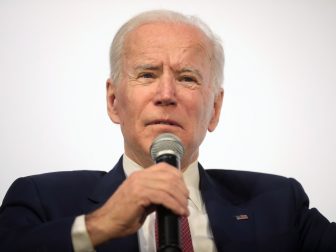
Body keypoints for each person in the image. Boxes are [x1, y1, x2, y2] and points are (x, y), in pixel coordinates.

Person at [0, 9, 335, 252]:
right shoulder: (42, 200)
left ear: (214, 110)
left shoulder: (278, 204)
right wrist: (98, 225)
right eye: (147, 74)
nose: (166, 95)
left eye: (187, 78)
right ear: (114, 101)